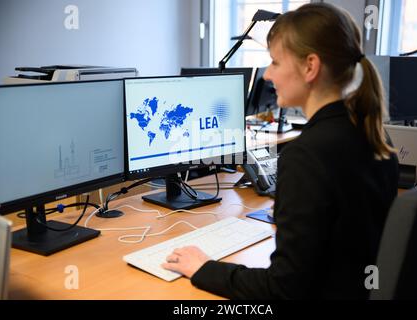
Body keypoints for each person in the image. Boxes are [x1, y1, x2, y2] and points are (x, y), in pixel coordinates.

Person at [162, 3, 399, 299]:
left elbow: (283, 289)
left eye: (275, 62)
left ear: (310, 66)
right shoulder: (373, 135)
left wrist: (203, 268)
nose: (267, 76)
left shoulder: (306, 156)